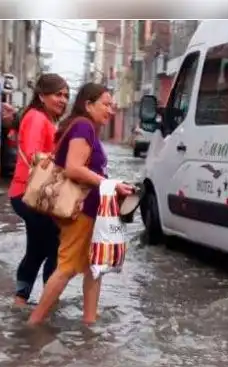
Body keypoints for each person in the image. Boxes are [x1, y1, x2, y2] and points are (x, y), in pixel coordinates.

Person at [28, 83, 134, 326]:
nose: (111, 110)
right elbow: (74, 168)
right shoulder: (84, 127)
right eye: (105, 104)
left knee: (93, 269)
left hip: (89, 210)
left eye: (112, 105)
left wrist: (112, 186)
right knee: (66, 267)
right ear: (88, 104)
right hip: (81, 210)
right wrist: (111, 184)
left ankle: (89, 323)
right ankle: (33, 324)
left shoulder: (86, 128)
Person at [8, 73, 70, 306]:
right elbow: (36, 156)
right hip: (29, 195)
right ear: (42, 96)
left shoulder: (45, 118)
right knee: (54, 245)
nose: (62, 100)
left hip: (32, 196)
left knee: (37, 248)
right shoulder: (37, 118)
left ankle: (21, 300)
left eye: (65, 95)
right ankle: (47, 302)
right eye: (57, 94)